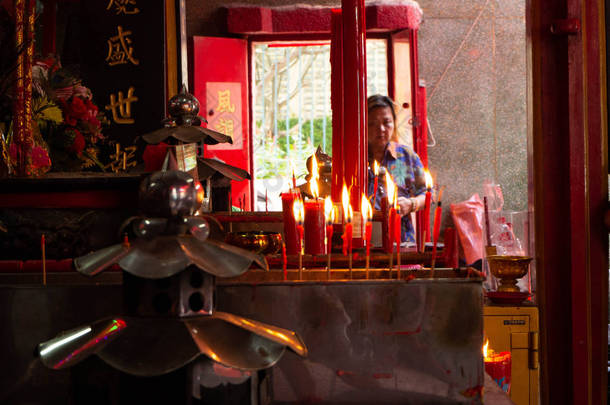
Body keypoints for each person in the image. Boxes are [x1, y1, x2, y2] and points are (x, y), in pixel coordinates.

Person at [367, 94, 427, 244]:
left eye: (386, 122)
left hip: (401, 241)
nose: (381, 129)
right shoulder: (355, 159)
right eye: (372, 123)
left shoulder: (406, 156)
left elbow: (428, 194)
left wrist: (411, 204)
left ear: (394, 122)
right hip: (365, 243)